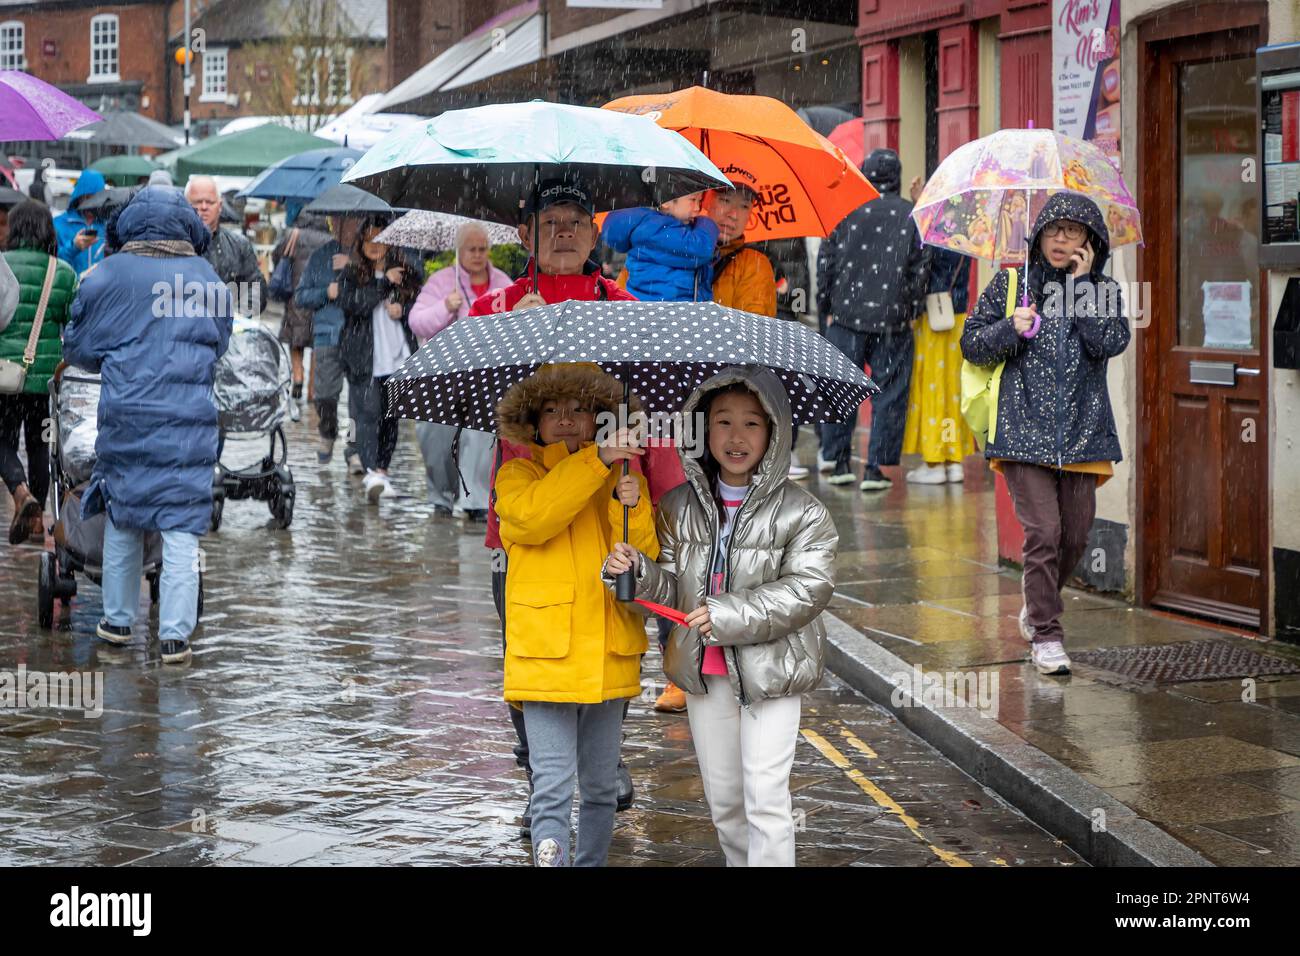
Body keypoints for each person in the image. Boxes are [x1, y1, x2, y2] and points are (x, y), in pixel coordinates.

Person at [604, 366, 837, 867]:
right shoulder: (677, 506)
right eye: (723, 422)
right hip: (704, 674)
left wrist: (729, 613)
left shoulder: (805, 512)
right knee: (727, 803)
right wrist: (636, 571)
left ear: (774, 433)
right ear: (703, 430)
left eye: (752, 424)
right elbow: (672, 589)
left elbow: (809, 588)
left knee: (765, 796)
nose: (736, 437)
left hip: (771, 672)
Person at [468, 176, 644, 834]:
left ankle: (601, 763)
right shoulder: (498, 309)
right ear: (526, 235)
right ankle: (543, 776)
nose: (564, 232)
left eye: (576, 222)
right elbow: (471, 397)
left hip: (606, 514)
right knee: (529, 648)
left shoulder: (621, 307)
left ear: (595, 234)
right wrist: (507, 340)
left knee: (608, 635)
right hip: (523, 516)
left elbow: (645, 407)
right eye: (551, 222)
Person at [494, 363, 657, 867]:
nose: (564, 420)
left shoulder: (622, 477)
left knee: (602, 788)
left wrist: (624, 504)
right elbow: (536, 517)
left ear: (598, 417)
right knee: (551, 785)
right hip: (545, 657)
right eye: (551, 410)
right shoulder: (517, 475)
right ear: (533, 423)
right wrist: (596, 463)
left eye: (578, 410)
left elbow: (645, 559)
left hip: (607, 654)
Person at [62, 186, 233, 664]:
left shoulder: (108, 276)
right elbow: (219, 344)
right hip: (189, 426)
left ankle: (118, 620)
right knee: (180, 527)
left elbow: (78, 348)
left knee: (124, 513)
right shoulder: (208, 280)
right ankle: (175, 635)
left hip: (127, 418)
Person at [960, 193, 1128, 676]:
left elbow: (1110, 342)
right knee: (1044, 533)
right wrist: (1010, 328)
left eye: (1073, 232)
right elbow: (972, 344)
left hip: (1084, 435)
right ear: (1038, 236)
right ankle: (1047, 634)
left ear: (1089, 241)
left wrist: (1079, 289)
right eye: (1054, 229)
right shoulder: (1012, 283)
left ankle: (1037, 606)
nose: (1061, 239)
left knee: (1074, 535)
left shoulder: (1103, 290)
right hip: (1021, 432)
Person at [817, 148, 928, 491]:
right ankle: (876, 467)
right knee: (890, 394)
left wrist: (826, 307)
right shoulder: (912, 215)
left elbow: (827, 263)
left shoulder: (845, 211)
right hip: (893, 321)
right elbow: (920, 271)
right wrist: (911, 309)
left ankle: (838, 462)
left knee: (840, 390)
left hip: (846, 318)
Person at [408, 222, 510, 519]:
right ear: (459, 251)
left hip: (485, 374)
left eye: (482, 249)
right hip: (443, 374)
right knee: (436, 436)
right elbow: (417, 322)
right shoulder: (442, 281)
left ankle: (475, 499)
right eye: (472, 250)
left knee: (480, 436)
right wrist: (444, 307)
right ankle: (441, 494)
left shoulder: (503, 282)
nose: (478, 255)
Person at [1, 201, 77, 545]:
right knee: (39, 443)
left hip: (4, 375)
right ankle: (37, 520)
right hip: (44, 376)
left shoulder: (2, 267)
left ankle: (20, 492)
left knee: (2, 439)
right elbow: (71, 321)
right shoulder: (62, 272)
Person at [335, 218, 422, 502]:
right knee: (367, 415)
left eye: (380, 239)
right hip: (364, 357)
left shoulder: (406, 272)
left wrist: (403, 307)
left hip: (398, 356)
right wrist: (384, 283)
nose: (374, 246)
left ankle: (382, 471)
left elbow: (418, 306)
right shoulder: (351, 273)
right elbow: (355, 305)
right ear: (360, 243)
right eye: (369, 240)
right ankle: (370, 469)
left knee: (390, 418)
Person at [294, 215, 362, 466]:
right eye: (339, 222)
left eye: (351, 222)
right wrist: (326, 292)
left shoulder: (366, 253)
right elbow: (301, 296)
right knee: (324, 396)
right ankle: (327, 432)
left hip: (359, 335)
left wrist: (353, 267)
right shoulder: (320, 256)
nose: (346, 226)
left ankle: (354, 446)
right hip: (327, 334)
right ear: (332, 223)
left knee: (359, 399)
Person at [903, 245, 974, 484]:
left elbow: (922, 272)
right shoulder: (967, 233)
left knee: (933, 386)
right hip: (957, 315)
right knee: (952, 388)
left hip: (932, 314)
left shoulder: (932, 233)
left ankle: (934, 460)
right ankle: (954, 460)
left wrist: (911, 304)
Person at [271, 209, 333, 421]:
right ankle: (311, 388)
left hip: (296, 292)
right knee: (317, 341)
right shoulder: (331, 238)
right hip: (321, 295)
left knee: (296, 337)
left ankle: (297, 375)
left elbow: (277, 254)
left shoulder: (293, 234)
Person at [602, 191, 718, 302]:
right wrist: (707, 223)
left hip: (654, 309)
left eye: (700, 200)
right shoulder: (657, 229)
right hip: (668, 311)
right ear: (666, 201)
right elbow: (700, 249)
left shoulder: (655, 227)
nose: (697, 208)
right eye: (692, 200)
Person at [185, 175, 268, 316]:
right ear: (186, 204)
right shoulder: (175, 244)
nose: (204, 207)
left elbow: (255, 285)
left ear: (220, 206)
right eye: (197, 202)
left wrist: (240, 315)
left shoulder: (239, 245)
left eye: (209, 202)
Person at [53, 169, 107, 277]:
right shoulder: (59, 224)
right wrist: (74, 247)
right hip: (70, 289)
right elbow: (52, 264)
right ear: (79, 196)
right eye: (88, 197)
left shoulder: (107, 225)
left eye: (97, 197)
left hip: (101, 290)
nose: (92, 202)